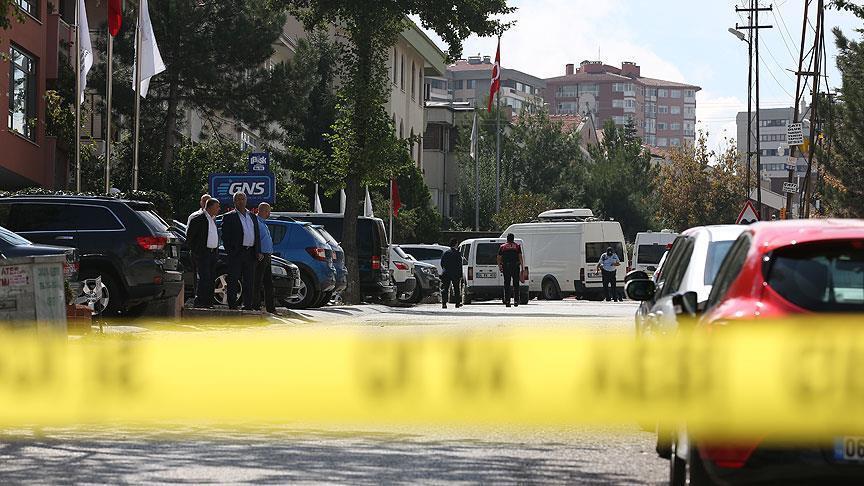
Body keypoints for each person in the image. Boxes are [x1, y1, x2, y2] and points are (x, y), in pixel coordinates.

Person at [221, 192, 260, 310]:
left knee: (249, 280)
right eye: (238, 199)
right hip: (236, 253)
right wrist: (231, 252)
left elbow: (256, 234)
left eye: (243, 199)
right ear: (234, 202)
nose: (241, 201)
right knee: (233, 280)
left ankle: (247, 305)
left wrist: (257, 251)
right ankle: (233, 305)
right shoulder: (229, 216)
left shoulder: (252, 216)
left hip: (250, 253)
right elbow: (225, 237)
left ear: (246, 200)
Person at [186, 198, 220, 308]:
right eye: (217, 207)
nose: (219, 209)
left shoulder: (213, 219)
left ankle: (208, 302)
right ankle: (200, 302)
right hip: (202, 253)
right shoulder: (198, 219)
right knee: (204, 278)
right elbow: (190, 238)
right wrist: (197, 251)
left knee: (211, 278)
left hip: (212, 253)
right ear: (210, 207)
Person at [253, 202, 277, 314]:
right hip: (261, 255)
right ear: (262, 211)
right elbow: (255, 239)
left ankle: (271, 308)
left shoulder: (263, 223)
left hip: (267, 255)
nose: (269, 214)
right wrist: (258, 252)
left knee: (268, 282)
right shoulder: (256, 222)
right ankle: (256, 306)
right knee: (257, 281)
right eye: (267, 211)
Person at [497, 233, 524, 307]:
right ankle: (516, 301)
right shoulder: (517, 246)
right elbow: (520, 257)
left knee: (507, 284)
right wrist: (522, 267)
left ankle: (507, 301)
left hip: (506, 267)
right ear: (513, 239)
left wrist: (500, 266)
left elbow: (498, 257)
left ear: (507, 239)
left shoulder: (502, 247)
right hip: (515, 266)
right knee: (516, 284)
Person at [439, 238, 463, 309]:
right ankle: (457, 303)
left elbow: (442, 263)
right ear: (456, 244)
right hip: (455, 273)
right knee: (456, 288)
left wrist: (445, 269)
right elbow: (459, 265)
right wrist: (460, 274)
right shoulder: (457, 253)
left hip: (446, 273)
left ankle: (444, 303)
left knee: (445, 288)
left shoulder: (446, 253)